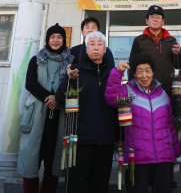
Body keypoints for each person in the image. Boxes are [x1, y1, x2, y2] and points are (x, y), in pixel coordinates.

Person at [105, 53, 181, 193]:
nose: (144, 75)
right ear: (134, 74)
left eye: (148, 70)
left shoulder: (162, 94)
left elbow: (170, 125)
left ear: (153, 73)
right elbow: (111, 98)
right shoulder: (126, 91)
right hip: (137, 158)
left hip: (163, 158)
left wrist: (175, 152)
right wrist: (118, 72)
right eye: (140, 71)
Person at [56, 31, 117, 193]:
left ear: (105, 49)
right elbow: (61, 100)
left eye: (99, 44)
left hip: (105, 141)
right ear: (86, 48)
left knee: (100, 186)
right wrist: (70, 81)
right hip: (79, 140)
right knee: (76, 185)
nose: (96, 47)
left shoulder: (113, 73)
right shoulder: (75, 70)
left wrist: (118, 138)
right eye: (91, 44)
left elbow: (117, 106)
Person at [17, 23, 73, 193]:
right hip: (37, 116)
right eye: (52, 37)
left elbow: (74, 85)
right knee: (31, 159)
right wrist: (49, 98)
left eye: (59, 37)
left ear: (64, 40)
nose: (56, 40)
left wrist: (58, 99)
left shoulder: (72, 61)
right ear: (47, 39)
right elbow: (30, 84)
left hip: (59, 116)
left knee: (53, 162)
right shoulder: (37, 59)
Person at [128, 5, 181, 113]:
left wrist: (178, 53)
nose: (155, 19)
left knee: (168, 120)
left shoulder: (171, 40)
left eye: (158, 16)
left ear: (163, 21)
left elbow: (179, 65)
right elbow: (132, 66)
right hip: (145, 89)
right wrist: (132, 88)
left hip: (168, 90)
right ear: (147, 21)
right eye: (152, 16)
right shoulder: (139, 40)